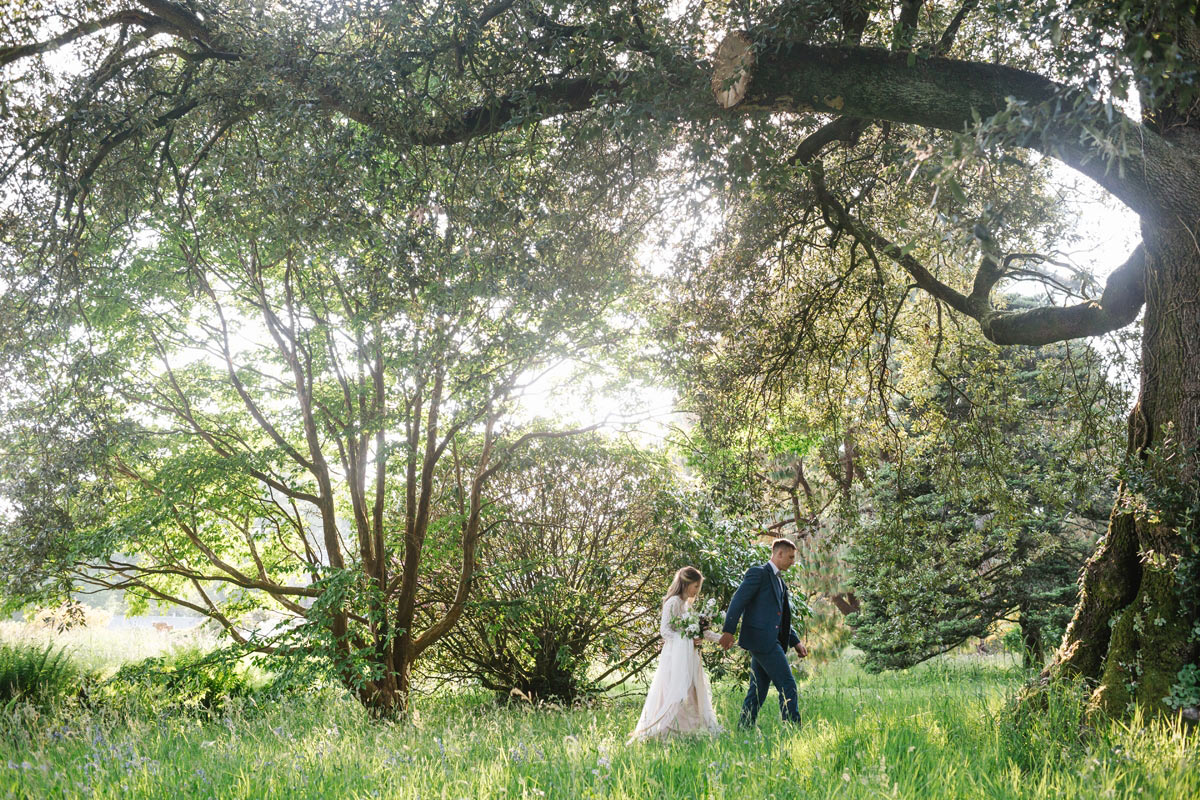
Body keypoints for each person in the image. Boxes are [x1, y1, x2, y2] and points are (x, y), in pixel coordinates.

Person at [719, 538, 809, 727]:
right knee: (788, 684)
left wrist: (795, 642)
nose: (793, 562)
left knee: (758, 690)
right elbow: (738, 601)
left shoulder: (781, 583)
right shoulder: (758, 573)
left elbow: (781, 618)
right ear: (779, 554)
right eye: (791, 557)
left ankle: (744, 728)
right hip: (762, 641)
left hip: (769, 641)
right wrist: (728, 630)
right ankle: (793, 727)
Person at [628, 566, 723, 741]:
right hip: (675, 656)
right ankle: (664, 730)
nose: (698, 591)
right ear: (686, 584)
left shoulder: (687, 604)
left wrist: (720, 639)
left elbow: (697, 631)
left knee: (692, 690)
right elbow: (665, 631)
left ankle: (689, 729)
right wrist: (687, 641)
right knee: (674, 691)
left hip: (688, 656)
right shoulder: (673, 602)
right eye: (696, 586)